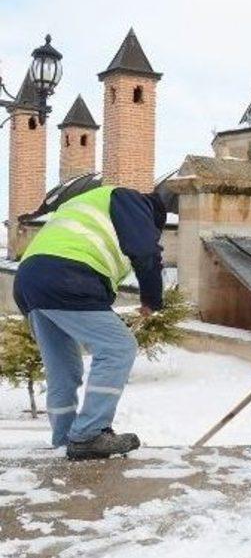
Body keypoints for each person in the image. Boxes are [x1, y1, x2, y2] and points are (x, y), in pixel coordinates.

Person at [14, 185, 166, 460]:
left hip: (29, 281)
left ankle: (64, 439)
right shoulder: (131, 200)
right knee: (119, 348)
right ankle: (89, 434)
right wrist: (152, 298)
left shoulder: (91, 204)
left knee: (63, 369)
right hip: (67, 275)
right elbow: (145, 251)